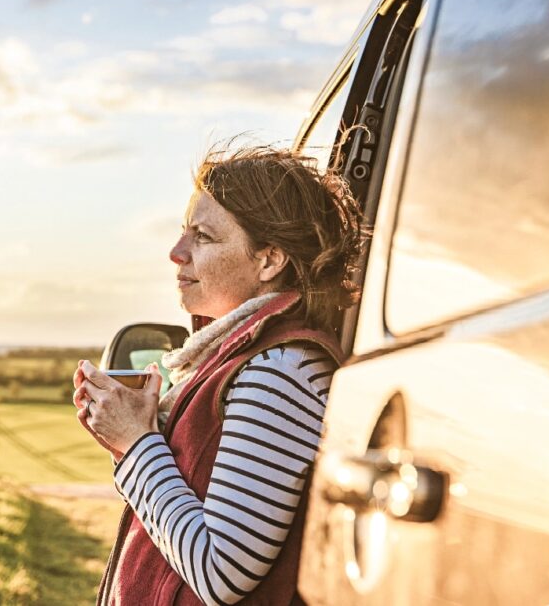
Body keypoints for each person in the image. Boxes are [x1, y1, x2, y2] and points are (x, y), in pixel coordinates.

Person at [73, 143, 365, 606]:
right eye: (182, 233)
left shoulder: (279, 372)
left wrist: (136, 444)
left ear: (269, 260)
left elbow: (221, 572)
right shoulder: (245, 359)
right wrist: (139, 430)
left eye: (203, 237)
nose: (176, 252)